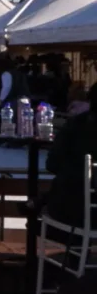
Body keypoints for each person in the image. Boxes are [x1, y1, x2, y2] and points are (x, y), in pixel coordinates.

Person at [45, 83, 97, 229]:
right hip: (82, 209)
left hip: (72, 208)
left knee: (44, 201)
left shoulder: (76, 125)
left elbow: (52, 164)